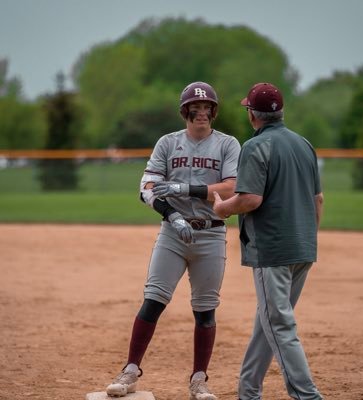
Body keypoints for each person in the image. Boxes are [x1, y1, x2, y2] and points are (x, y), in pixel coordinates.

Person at [106, 81, 241, 399]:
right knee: (153, 300)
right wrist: (173, 216)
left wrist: (186, 189)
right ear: (185, 112)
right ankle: (130, 371)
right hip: (173, 233)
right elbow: (146, 187)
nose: (201, 113)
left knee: (205, 310)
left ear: (214, 112)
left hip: (211, 232)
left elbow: (233, 187)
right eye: (195, 109)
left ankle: (199, 379)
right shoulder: (167, 143)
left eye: (207, 108)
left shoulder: (227, 145)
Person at [213, 82, 324, 400]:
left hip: (272, 249)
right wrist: (308, 239)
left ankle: (307, 395)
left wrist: (222, 208)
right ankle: (248, 391)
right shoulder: (304, 144)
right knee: (270, 319)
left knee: (279, 324)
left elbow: (249, 199)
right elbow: (318, 200)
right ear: (281, 112)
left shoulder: (255, 146)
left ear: (252, 114)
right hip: (304, 247)